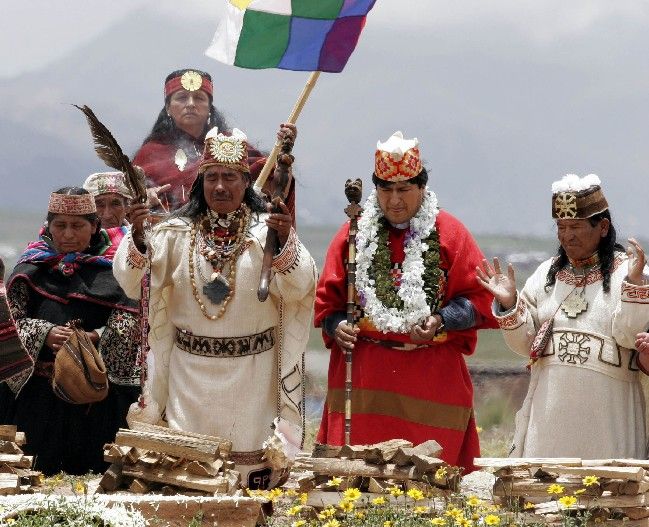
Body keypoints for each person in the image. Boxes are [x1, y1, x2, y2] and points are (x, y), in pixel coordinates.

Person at [114, 126, 316, 488]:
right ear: (199, 183)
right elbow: (132, 282)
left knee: (250, 487)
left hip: (254, 377)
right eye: (211, 178)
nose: (220, 187)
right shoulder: (174, 232)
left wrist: (285, 241)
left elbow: (300, 287)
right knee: (186, 479)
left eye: (230, 177)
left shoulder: (264, 235)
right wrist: (140, 238)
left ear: (246, 182)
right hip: (189, 376)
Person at [315, 131, 497, 472]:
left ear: (422, 188)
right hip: (366, 379)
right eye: (385, 189)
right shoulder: (352, 234)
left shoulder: (451, 234)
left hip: (431, 378)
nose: (394, 200)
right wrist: (337, 325)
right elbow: (327, 304)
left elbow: (480, 302)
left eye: (403, 190)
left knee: (434, 482)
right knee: (356, 477)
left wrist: (441, 320)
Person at [477, 174, 649, 458]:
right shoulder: (545, 275)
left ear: (603, 227)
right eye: (561, 226)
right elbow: (525, 344)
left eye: (576, 227)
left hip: (610, 417)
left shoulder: (629, 274)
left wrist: (633, 285)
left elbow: (631, 337)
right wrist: (509, 303)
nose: (567, 236)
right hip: (549, 419)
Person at [0, 188, 138, 475]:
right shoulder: (30, 269)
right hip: (39, 397)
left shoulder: (117, 271)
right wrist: (45, 333)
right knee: (37, 473)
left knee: (91, 476)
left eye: (78, 226)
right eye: (60, 225)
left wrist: (97, 337)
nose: (68, 234)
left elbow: (133, 321)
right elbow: (9, 326)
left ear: (94, 227)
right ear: (48, 227)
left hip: (96, 396)